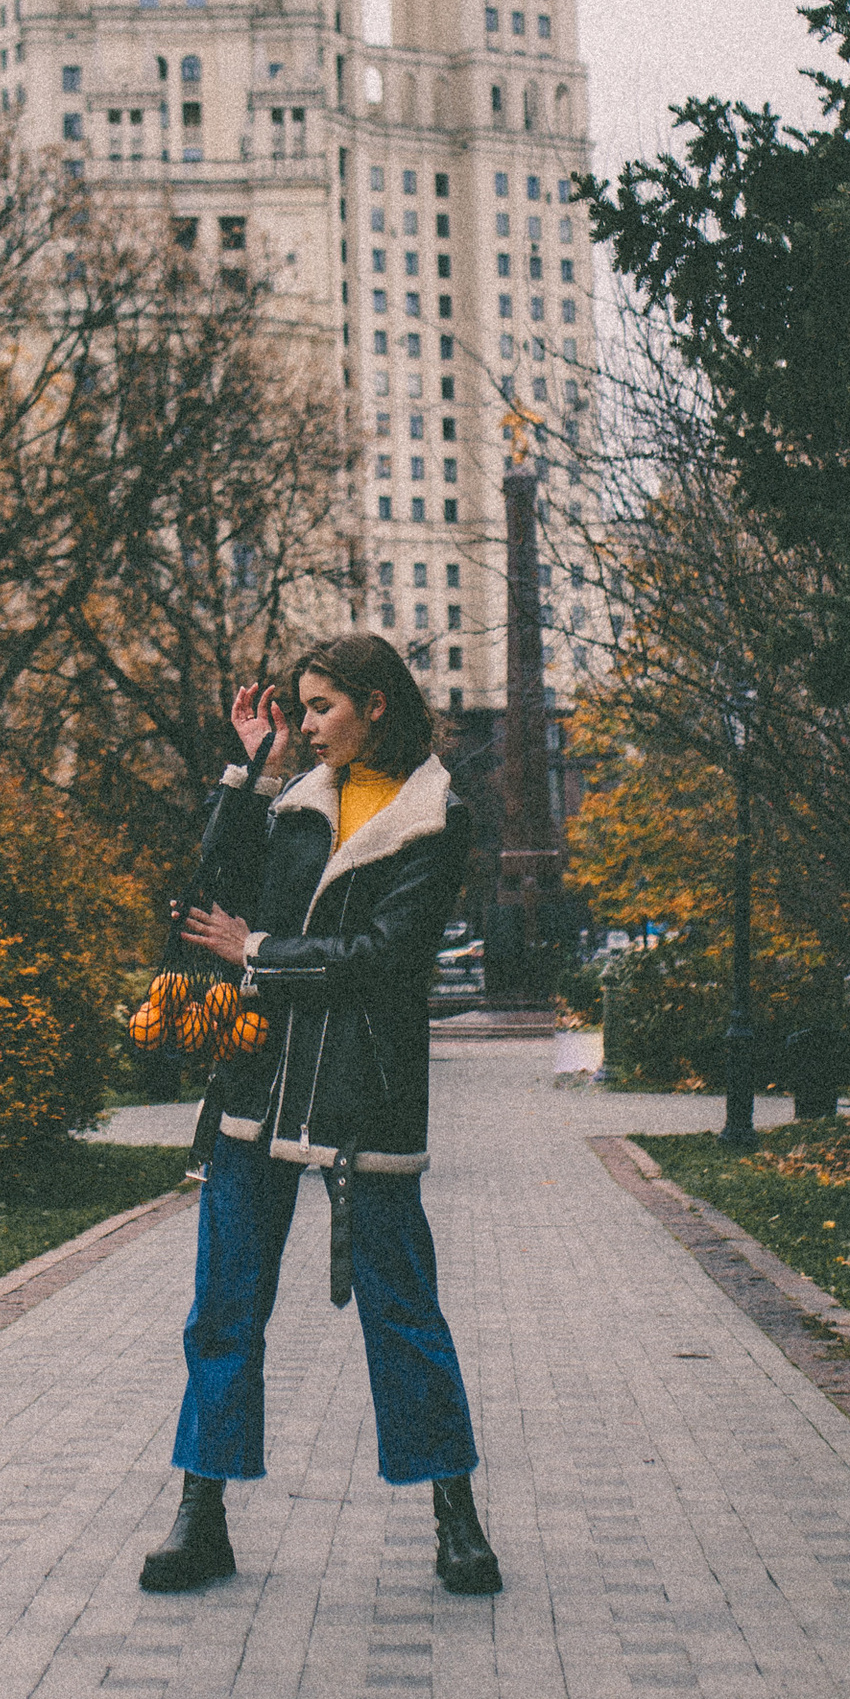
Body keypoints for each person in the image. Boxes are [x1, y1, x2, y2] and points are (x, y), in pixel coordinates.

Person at [138, 631, 504, 1600]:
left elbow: (385, 955)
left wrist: (256, 952)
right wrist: (245, 764)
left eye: (316, 708)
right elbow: (200, 902)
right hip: (257, 1087)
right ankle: (200, 1515)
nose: (304, 725)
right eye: (297, 710)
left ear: (373, 703)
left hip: (364, 1093)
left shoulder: (437, 815)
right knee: (223, 1310)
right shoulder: (295, 806)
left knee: (403, 1311)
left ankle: (455, 1520)